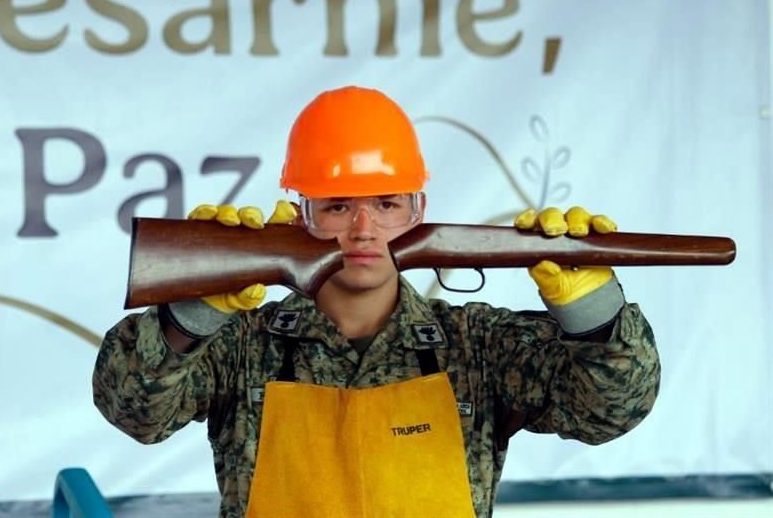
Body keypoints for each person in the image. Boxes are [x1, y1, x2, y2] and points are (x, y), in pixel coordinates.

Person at [92, 85, 660, 518]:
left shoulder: (479, 343)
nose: (364, 230)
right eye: (338, 205)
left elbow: (607, 412)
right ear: (300, 215)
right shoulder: (240, 343)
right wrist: (194, 312)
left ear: (418, 211)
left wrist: (593, 311)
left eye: (386, 204)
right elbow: (134, 411)